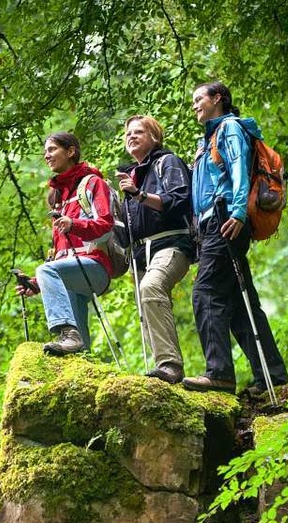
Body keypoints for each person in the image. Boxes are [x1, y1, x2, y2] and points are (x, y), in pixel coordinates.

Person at [183, 81, 288, 395]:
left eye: (199, 98)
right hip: (215, 224)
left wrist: (239, 211)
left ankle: (219, 374)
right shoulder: (208, 139)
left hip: (226, 219)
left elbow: (239, 169)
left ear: (218, 98)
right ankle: (272, 376)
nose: (195, 106)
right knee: (240, 304)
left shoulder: (229, 128)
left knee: (205, 293)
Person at [15, 132, 114, 356]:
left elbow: (105, 224)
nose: (46, 156)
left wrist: (74, 224)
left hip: (95, 266)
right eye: (45, 152)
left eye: (52, 150)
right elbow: (61, 253)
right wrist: (36, 284)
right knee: (78, 350)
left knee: (46, 270)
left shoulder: (92, 183)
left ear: (71, 151)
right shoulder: (59, 197)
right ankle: (85, 367)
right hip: (70, 272)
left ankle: (67, 333)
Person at [116, 115, 194, 383]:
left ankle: (170, 365)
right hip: (142, 254)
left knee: (151, 287)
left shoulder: (166, 163)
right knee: (146, 301)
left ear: (154, 137)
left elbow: (181, 200)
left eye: (139, 132)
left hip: (172, 243)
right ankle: (162, 370)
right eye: (128, 134)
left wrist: (139, 194)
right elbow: (126, 233)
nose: (132, 136)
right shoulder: (131, 177)